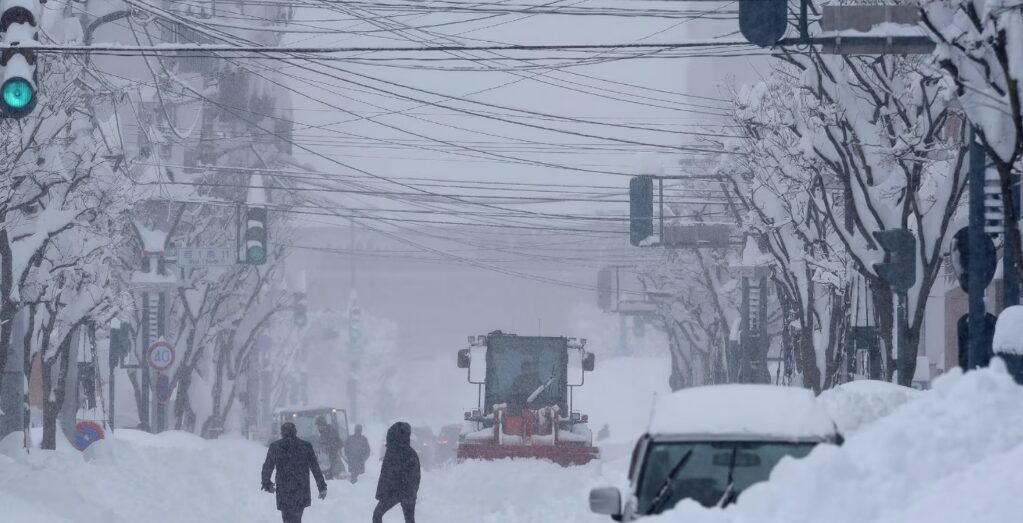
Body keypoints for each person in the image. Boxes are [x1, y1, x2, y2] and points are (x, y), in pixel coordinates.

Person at [262, 422, 328, 523]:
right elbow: (315, 468)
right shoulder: (306, 446)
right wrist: (322, 487)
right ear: (296, 432)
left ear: (282, 433)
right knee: (297, 517)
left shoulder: (275, 447)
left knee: (286, 517)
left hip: (284, 489)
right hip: (301, 489)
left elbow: (267, 467)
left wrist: (267, 484)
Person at [373, 422, 421, 523]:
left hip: (394, 492)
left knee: (377, 514)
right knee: (409, 520)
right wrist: (410, 493)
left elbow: (386, 474)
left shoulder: (393, 451)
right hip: (403, 492)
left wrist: (384, 492)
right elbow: (415, 477)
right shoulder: (410, 453)